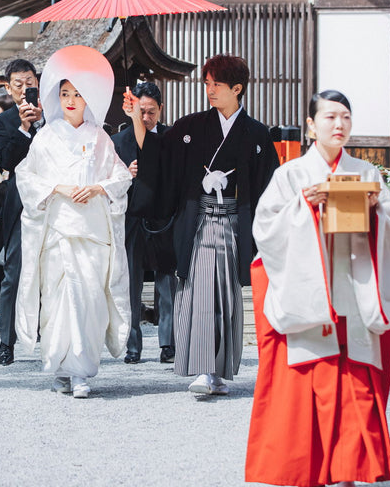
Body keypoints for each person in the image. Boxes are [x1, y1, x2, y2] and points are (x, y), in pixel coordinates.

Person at [245, 89, 390, 487]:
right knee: (310, 386)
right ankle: (307, 472)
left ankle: (351, 471)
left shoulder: (368, 173)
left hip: (353, 293)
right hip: (311, 298)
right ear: (311, 125)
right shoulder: (291, 174)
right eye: (330, 117)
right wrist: (305, 204)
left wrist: (376, 210)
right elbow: (264, 230)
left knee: (354, 383)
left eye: (345, 118)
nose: (339, 125)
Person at [14, 45, 133, 399]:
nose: (70, 100)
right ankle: (62, 368)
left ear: (89, 99)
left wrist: (98, 187)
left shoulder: (100, 138)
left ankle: (80, 371)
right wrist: (57, 187)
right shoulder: (45, 137)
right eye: (64, 93)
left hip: (92, 232)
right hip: (58, 231)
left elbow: (121, 177)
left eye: (78, 94)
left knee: (87, 300)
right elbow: (26, 177)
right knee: (58, 300)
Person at [159, 54, 278, 396]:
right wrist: (139, 123)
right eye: (207, 83)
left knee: (226, 296)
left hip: (234, 224)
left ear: (237, 89)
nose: (209, 90)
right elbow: (162, 157)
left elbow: (269, 188)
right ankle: (203, 369)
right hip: (199, 223)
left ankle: (219, 371)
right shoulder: (192, 126)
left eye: (217, 84)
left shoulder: (256, 134)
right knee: (198, 292)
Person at [111, 80, 175, 364]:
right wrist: (126, 174)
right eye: (141, 112)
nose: (146, 118)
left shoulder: (172, 138)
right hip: (132, 218)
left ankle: (169, 344)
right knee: (131, 284)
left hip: (163, 218)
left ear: (160, 109)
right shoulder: (117, 142)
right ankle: (132, 346)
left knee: (166, 284)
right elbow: (108, 183)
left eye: (151, 112)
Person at [0, 59, 43, 366]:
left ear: (37, 81)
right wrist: (25, 127)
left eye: (29, 82)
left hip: (56, 202)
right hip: (21, 204)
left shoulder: (57, 113)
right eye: (18, 84)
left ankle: (51, 335)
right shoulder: (3, 122)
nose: (25, 89)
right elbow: (5, 161)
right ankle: (6, 341)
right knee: (13, 273)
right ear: (9, 89)